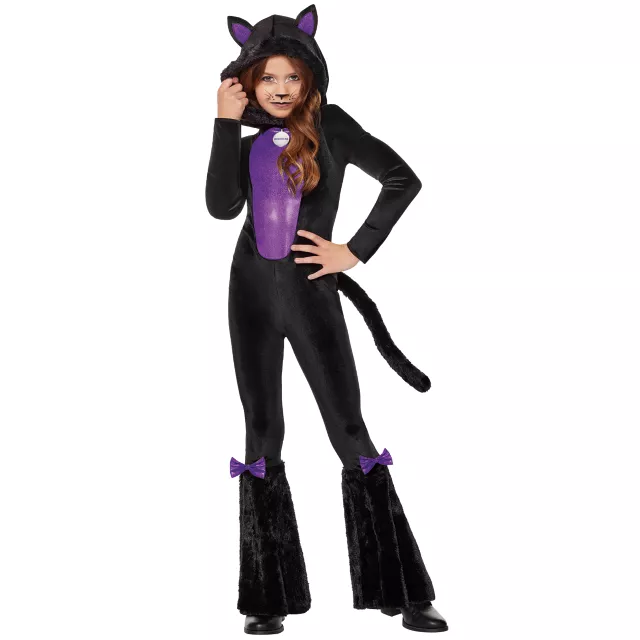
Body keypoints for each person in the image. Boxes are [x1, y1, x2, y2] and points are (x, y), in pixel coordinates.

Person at [205, 4, 448, 635]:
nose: (281, 88)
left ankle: (403, 590)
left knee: (348, 429)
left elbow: (402, 179)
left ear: (311, 77)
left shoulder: (331, 126)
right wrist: (224, 122)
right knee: (262, 432)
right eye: (267, 78)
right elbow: (220, 207)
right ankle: (267, 596)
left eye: (292, 76)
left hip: (311, 292)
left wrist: (354, 251)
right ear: (248, 82)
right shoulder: (245, 138)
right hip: (249, 294)